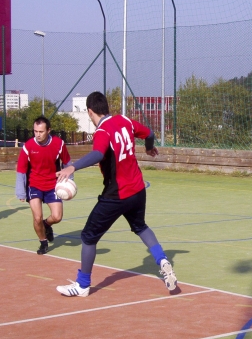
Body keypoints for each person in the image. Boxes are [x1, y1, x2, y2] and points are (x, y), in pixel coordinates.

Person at [55, 91, 177, 298]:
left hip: (116, 195)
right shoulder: (125, 121)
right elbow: (149, 134)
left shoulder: (102, 131)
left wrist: (72, 167)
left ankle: (82, 285)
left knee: (88, 237)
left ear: (90, 111)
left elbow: (97, 154)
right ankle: (163, 260)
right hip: (138, 189)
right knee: (140, 226)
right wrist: (149, 148)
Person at [15, 116, 72, 255]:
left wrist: (69, 181)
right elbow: (21, 169)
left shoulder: (58, 144)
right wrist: (20, 191)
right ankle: (43, 242)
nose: (38, 134)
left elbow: (67, 163)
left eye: (41, 131)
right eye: (35, 131)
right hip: (34, 185)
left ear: (48, 130)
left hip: (53, 184)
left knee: (57, 217)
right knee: (37, 218)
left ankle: (46, 225)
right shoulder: (28, 146)